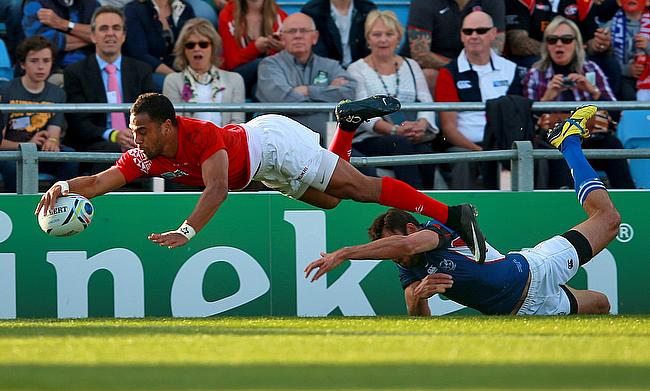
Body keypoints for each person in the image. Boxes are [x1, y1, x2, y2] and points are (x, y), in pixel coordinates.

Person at [35, 92, 488, 263]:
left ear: (168, 125)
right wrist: (64, 186)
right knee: (330, 201)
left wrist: (186, 230)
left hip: (272, 144)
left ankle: (453, 213)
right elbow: (99, 182)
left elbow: (217, 188)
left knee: (361, 190)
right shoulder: (146, 155)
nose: (136, 139)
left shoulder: (199, 135)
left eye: (143, 130)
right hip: (264, 166)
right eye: (134, 131)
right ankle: (347, 125)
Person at [305, 105, 618, 316]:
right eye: (395, 256)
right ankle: (569, 142)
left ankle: (568, 143)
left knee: (608, 220)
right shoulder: (407, 265)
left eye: (394, 249)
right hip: (522, 311)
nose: (397, 257)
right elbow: (418, 322)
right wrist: (419, 297)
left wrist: (346, 253)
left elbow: (406, 245)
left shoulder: (440, 228)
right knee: (601, 305)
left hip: (537, 268)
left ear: (413, 228)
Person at [523, 16, 635, 189]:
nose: (559, 44)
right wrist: (547, 98)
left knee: (613, 145)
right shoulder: (536, 73)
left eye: (566, 39)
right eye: (553, 40)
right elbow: (526, 122)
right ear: (547, 45)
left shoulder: (591, 69)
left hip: (590, 137)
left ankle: (629, 201)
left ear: (577, 43)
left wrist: (592, 90)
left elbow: (616, 113)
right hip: (554, 141)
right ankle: (562, 208)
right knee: (557, 155)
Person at [347, 10, 438, 190]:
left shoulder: (412, 65)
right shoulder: (356, 69)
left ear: (398, 38)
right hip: (370, 138)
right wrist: (395, 130)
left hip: (411, 135)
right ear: (368, 39)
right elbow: (364, 115)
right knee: (400, 144)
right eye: (377, 34)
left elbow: (426, 100)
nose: (383, 40)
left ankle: (429, 202)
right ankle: (413, 202)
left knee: (426, 153)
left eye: (389, 34)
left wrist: (421, 124)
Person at [435, 11, 522, 189]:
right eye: (468, 31)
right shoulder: (448, 73)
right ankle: (462, 215)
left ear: (493, 33)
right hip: (466, 147)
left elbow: (517, 119)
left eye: (481, 30)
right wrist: (480, 151)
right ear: (461, 35)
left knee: (535, 157)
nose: (474, 36)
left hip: (504, 144)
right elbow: (449, 129)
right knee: (464, 160)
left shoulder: (511, 69)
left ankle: (534, 211)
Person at [64, 6, 155, 158]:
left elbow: (150, 114)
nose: (110, 33)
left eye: (116, 28)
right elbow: (78, 124)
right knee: (112, 150)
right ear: (93, 36)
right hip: (95, 143)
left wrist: (136, 136)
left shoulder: (142, 70)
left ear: (124, 35)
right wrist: (114, 135)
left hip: (137, 141)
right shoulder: (74, 72)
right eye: (103, 28)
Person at [256, 12, 356, 145]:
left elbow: (349, 92)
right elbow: (281, 100)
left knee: (364, 164)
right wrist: (327, 94)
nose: (298, 35)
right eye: (292, 31)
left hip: (326, 145)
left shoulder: (330, 65)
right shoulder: (269, 65)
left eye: (304, 30)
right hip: (285, 145)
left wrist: (307, 90)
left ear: (314, 37)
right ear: (282, 38)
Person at [0, 36, 78, 192]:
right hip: (13, 152)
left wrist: (52, 141)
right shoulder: (6, 90)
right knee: (12, 165)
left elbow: (54, 131)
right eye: (34, 61)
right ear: (22, 64)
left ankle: (56, 201)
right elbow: (0, 144)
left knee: (70, 157)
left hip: (41, 151)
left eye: (46, 61)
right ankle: (17, 207)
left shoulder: (57, 94)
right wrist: (27, 146)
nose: (41, 67)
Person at [402, 0, 505, 93]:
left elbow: (496, 48)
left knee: (497, 73)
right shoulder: (424, 2)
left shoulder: (493, 2)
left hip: (477, 63)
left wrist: (473, 68)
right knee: (429, 75)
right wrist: (461, 68)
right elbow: (421, 56)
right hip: (437, 67)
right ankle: (432, 113)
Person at [163, 17, 246, 125]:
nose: (197, 49)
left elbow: (238, 124)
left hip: (225, 141)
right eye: (190, 45)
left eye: (203, 44)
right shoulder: (173, 81)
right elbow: (174, 125)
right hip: (188, 141)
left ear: (213, 48)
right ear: (184, 50)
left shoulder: (235, 79)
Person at [218, 0, 287, 98]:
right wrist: (255, 48)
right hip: (234, 76)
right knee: (262, 64)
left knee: (260, 87)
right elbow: (231, 61)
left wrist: (281, 49)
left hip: (266, 79)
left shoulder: (280, 17)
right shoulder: (227, 15)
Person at [123, 0, 196, 92]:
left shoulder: (184, 8)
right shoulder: (133, 10)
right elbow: (139, 54)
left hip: (182, 70)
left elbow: (195, 41)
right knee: (169, 84)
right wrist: (176, 77)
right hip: (150, 71)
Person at [22, 0, 98, 76]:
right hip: (55, 71)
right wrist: (93, 38)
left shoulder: (91, 3)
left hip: (93, 67)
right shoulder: (36, 4)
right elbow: (47, 43)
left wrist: (62, 23)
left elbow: (104, 31)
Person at [301, 0, 377, 68]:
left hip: (361, 69)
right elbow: (317, 50)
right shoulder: (312, 10)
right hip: (325, 69)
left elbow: (370, 46)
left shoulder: (367, 9)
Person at [606, 0, 650, 100]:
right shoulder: (609, 27)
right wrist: (626, 70)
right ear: (619, 2)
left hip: (648, 75)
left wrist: (648, 46)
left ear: (647, 2)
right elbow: (606, 60)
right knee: (627, 95)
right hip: (622, 77)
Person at [505, 0, 558, 68]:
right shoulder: (523, 2)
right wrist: (555, 49)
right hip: (526, 59)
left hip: (554, 55)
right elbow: (518, 44)